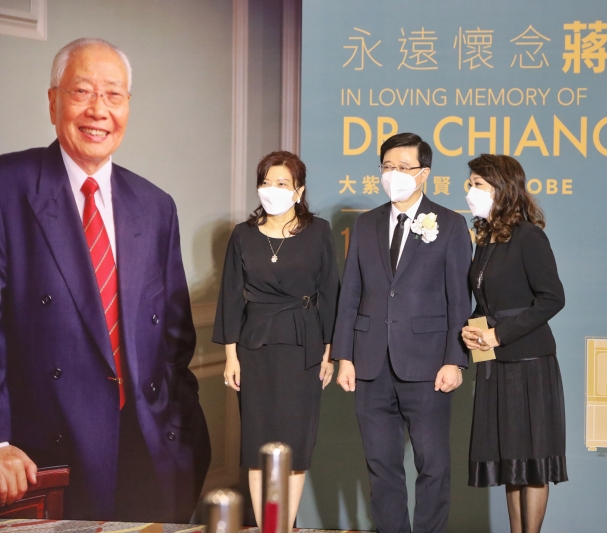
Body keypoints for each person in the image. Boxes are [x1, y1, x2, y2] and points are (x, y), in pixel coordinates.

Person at [0, 38, 210, 521]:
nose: (99, 110)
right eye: (82, 91)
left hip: (149, 450)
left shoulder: (155, 206)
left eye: (113, 95)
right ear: (53, 101)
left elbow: (175, 340)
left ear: (128, 105)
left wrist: (185, 436)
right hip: (45, 455)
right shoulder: (8, 187)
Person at [333, 133, 472, 533]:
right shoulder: (365, 224)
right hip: (370, 363)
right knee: (381, 465)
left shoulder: (450, 224)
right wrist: (345, 356)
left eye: (403, 167)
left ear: (424, 173)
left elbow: (458, 300)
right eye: (387, 167)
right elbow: (351, 293)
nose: (393, 175)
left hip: (428, 365)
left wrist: (454, 360)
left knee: (433, 465)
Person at [212, 151, 338, 531]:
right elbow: (230, 298)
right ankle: (266, 527)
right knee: (257, 447)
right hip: (254, 348)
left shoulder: (319, 231)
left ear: (298, 190)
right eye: (266, 182)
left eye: (282, 183)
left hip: (304, 347)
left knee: (295, 446)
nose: (272, 189)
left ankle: (283, 527)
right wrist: (230, 357)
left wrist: (330, 353)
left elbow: (331, 293)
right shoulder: (243, 234)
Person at [460, 154, 567, 533]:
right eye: (470, 183)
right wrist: (472, 328)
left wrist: (499, 334)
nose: (470, 191)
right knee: (512, 462)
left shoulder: (528, 236)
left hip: (529, 363)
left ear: (502, 189)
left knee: (532, 461)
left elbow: (552, 298)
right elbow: (488, 301)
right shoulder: (486, 238)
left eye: (478, 184)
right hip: (494, 362)